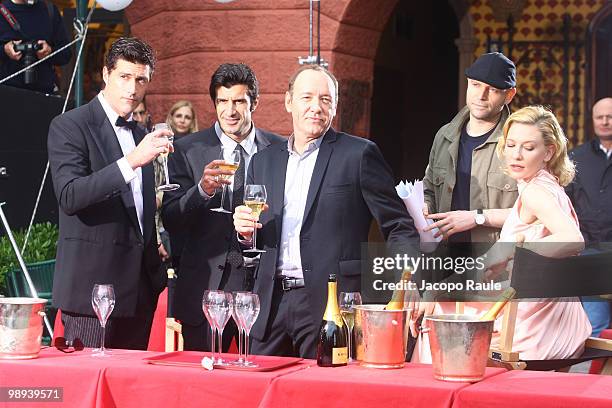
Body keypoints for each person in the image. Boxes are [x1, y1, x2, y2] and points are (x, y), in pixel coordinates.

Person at [233, 64, 419, 358]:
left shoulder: (359, 154)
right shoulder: (262, 161)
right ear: (288, 101)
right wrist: (244, 233)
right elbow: (253, 240)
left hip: (331, 303)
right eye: (307, 98)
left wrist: (409, 280)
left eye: (325, 99)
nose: (316, 108)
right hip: (270, 302)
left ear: (335, 107)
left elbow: (398, 224)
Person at [413, 106, 592, 362]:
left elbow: (573, 239)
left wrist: (512, 251)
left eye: (528, 148)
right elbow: (515, 226)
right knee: (444, 295)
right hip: (560, 321)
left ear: (548, 152)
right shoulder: (544, 185)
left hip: (534, 332)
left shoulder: (534, 192)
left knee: (434, 315)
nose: (516, 155)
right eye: (510, 145)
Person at [48, 37, 170, 349]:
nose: (132, 88)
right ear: (106, 75)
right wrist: (132, 161)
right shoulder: (70, 125)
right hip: (91, 294)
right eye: (124, 77)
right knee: (86, 394)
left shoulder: (142, 135)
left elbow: (140, 210)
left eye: (140, 79)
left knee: (130, 394)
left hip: (140, 292)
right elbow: (70, 196)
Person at [161, 63, 283, 351]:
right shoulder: (188, 149)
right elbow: (170, 218)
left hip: (261, 291)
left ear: (255, 102)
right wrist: (201, 191)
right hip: (205, 289)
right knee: (202, 381)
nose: (230, 111)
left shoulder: (280, 150)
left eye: (239, 101)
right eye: (223, 102)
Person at [423, 53, 518, 244]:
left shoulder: (519, 142)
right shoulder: (444, 136)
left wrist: (477, 217)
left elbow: (536, 213)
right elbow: (430, 188)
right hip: (445, 258)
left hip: (496, 263)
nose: (481, 96)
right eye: (475, 85)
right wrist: (425, 205)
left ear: (509, 95)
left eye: (492, 89)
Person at [566, 97, 612, 336]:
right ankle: (598, 375)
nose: (605, 121)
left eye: (610, 116)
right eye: (599, 117)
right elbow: (566, 203)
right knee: (597, 324)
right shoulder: (577, 157)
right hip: (591, 249)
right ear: (592, 120)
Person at [0, 0, 71, 94]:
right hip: (6, 93)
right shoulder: (2, 12)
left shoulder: (50, 11)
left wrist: (49, 52)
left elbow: (66, 54)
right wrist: (4, 50)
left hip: (44, 94)